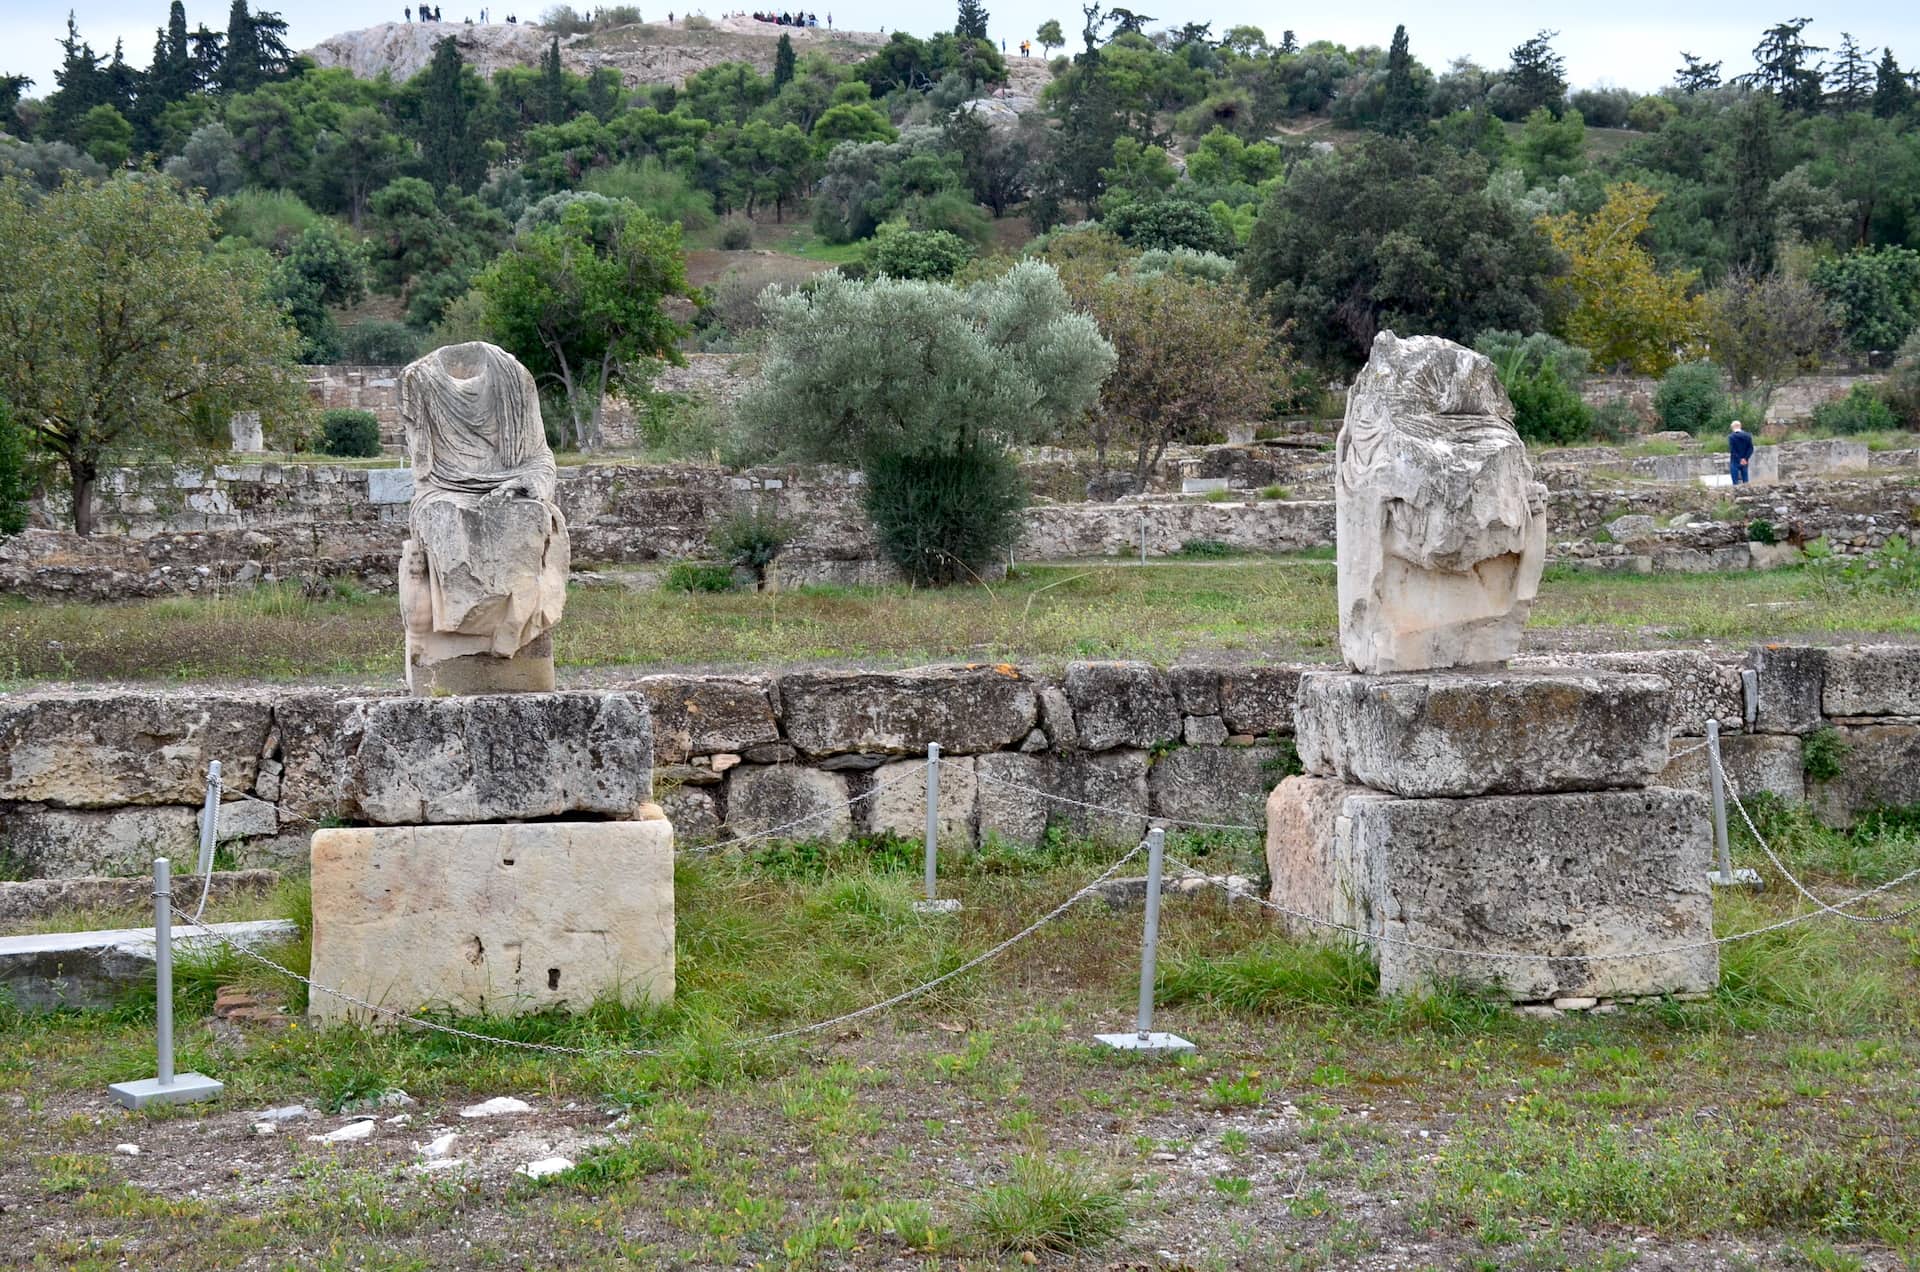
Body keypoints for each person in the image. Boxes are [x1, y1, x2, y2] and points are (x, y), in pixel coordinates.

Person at [1728, 419, 1754, 485]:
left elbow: (1733, 450)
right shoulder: (1748, 436)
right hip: (1745, 461)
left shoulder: (1731, 436)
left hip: (1735, 461)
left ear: (1733, 427)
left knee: (1735, 482)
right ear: (1740, 426)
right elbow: (1751, 448)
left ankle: (1736, 493)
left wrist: (1739, 459)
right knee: (1745, 481)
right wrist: (1745, 458)